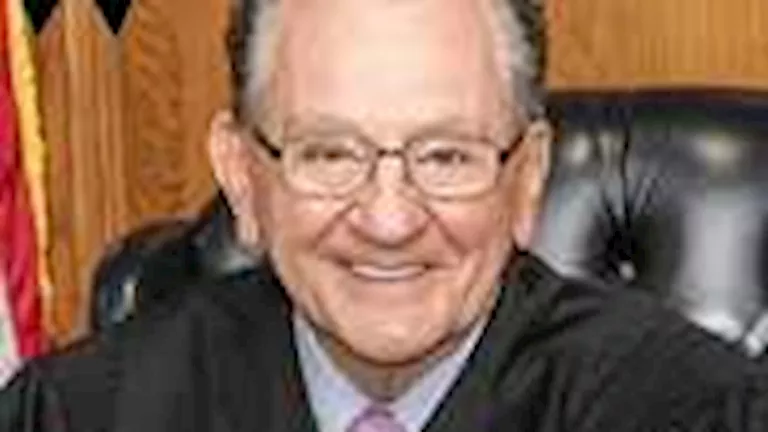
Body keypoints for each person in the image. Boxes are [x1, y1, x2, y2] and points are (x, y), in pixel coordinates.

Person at [0, 0, 763, 430]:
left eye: (446, 156)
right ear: (241, 175)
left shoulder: (697, 414)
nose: (389, 222)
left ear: (528, 178)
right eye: (330, 153)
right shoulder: (81, 416)